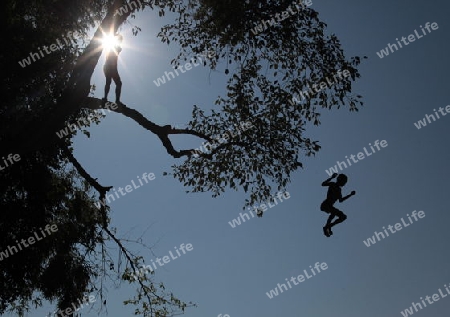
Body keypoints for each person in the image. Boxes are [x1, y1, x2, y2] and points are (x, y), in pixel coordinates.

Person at [102, 34, 123, 105]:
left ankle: (116, 100)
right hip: (108, 66)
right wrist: (115, 35)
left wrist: (116, 36)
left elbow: (118, 48)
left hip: (113, 68)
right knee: (109, 81)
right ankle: (105, 98)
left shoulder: (118, 47)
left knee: (118, 83)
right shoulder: (112, 46)